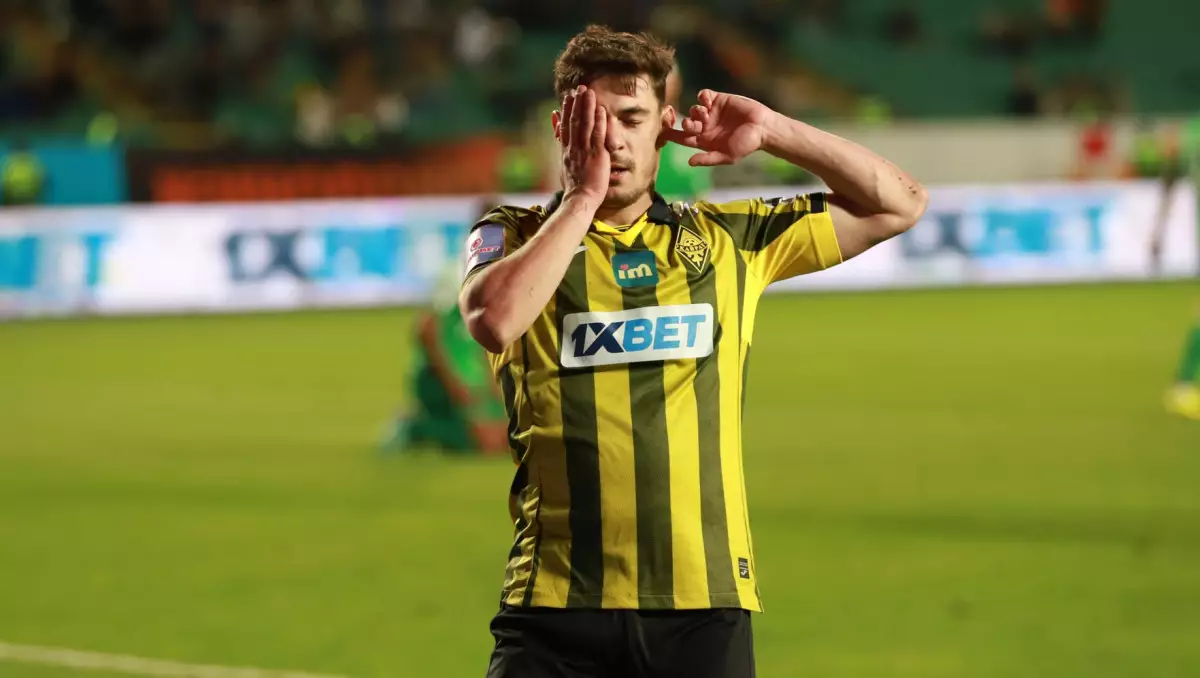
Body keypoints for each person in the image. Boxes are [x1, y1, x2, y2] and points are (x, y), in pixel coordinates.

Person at [459, 25, 928, 678]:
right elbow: (493, 318)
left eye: (632, 118)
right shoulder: (513, 234)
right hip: (555, 606)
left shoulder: (728, 240)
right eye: (596, 119)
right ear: (562, 128)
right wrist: (583, 199)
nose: (614, 139)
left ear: (664, 128)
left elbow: (899, 204)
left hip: (704, 605)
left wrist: (774, 129)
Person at [380, 201, 510, 454]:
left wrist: (493, 384)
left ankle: (444, 425)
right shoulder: (456, 276)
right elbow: (425, 331)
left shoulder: (495, 275)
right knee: (487, 444)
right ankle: (416, 427)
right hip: (438, 376)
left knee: (509, 440)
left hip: (472, 378)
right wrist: (455, 384)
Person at [1153, 117, 1200, 420]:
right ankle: (1182, 387)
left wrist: (1158, 230)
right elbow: (1170, 180)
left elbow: (1169, 182)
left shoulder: (1189, 133)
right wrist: (1158, 231)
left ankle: (1182, 386)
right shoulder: (1191, 134)